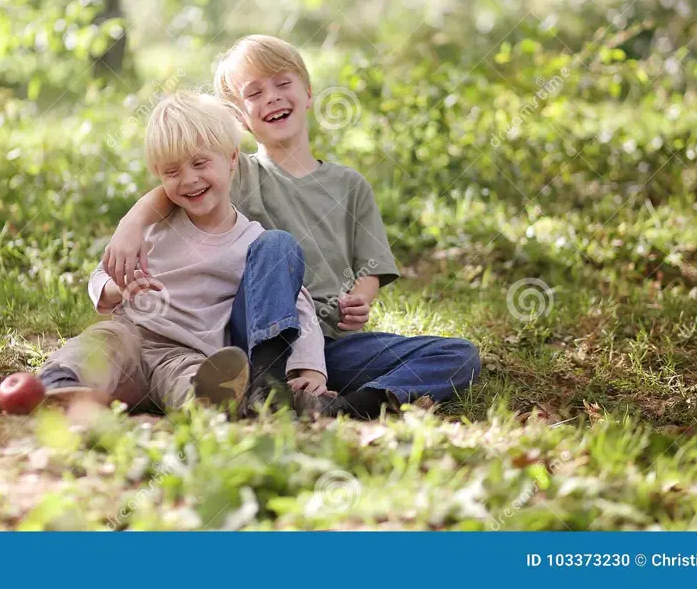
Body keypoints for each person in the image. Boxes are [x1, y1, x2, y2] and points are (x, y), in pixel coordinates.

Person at [103, 35, 481, 419]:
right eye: (254, 93)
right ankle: (268, 382)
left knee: (458, 355)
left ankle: (350, 405)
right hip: (249, 334)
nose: (272, 97)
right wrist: (132, 222)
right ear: (237, 119)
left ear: (308, 93)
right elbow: (180, 188)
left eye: (283, 84)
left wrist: (360, 299)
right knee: (276, 246)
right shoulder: (238, 169)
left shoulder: (349, 186)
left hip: (330, 346)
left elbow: (373, 267)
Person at [31, 90, 328, 414]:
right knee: (99, 344)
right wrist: (116, 288)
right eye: (171, 172)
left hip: (187, 351)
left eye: (200, 163)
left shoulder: (251, 242)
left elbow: (296, 304)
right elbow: (100, 276)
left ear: (231, 158)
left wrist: (310, 365)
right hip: (131, 335)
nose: (188, 180)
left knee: (195, 386)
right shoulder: (150, 226)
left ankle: (216, 407)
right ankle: (58, 386)